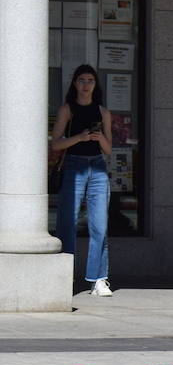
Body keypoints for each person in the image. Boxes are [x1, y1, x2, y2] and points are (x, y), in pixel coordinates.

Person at [51, 64, 114, 297]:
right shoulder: (67, 109)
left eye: (90, 80)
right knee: (67, 223)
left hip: (97, 167)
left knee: (100, 225)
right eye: (81, 80)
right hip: (74, 165)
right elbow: (56, 143)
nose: (86, 85)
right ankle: (63, 277)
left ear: (95, 85)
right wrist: (79, 137)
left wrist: (98, 137)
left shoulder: (103, 112)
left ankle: (99, 279)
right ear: (75, 84)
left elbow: (109, 149)